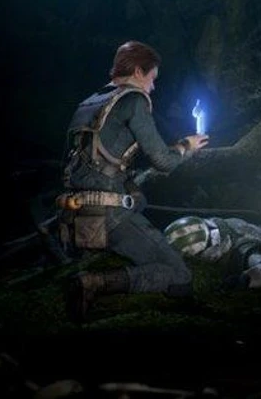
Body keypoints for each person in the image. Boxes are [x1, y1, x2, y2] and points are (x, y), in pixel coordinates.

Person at [56, 40, 209, 323]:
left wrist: (132, 192)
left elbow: (81, 164)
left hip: (73, 215)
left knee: (140, 202)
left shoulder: (89, 103)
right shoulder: (134, 100)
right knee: (180, 275)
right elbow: (163, 161)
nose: (152, 87)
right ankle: (93, 284)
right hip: (107, 214)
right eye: (152, 79)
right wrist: (186, 146)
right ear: (138, 72)